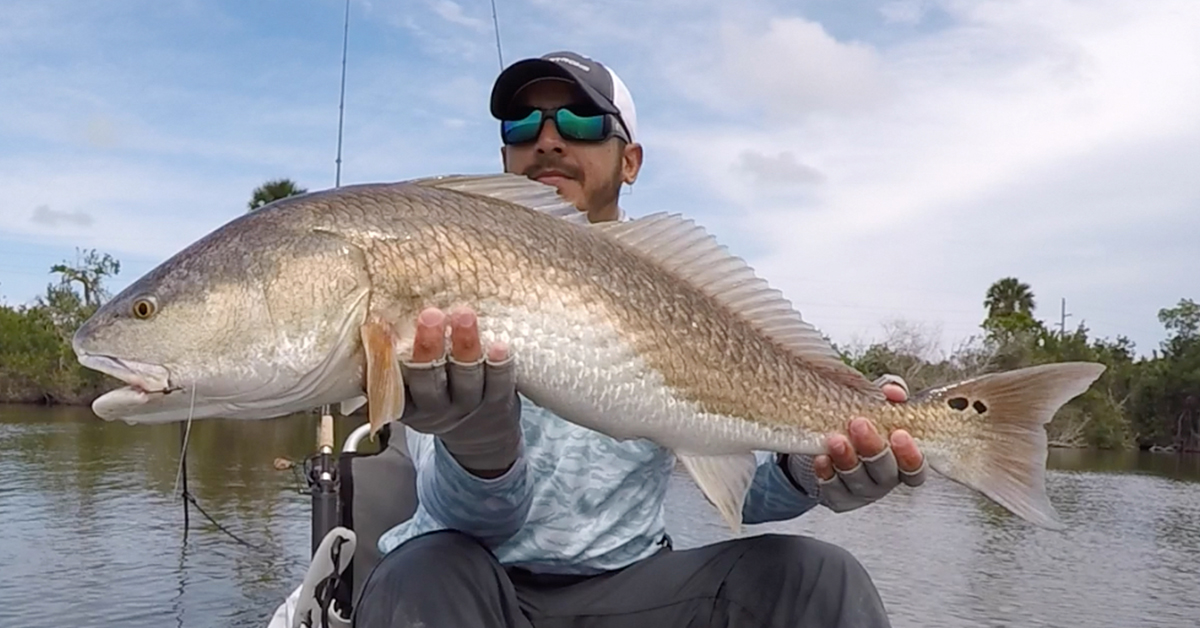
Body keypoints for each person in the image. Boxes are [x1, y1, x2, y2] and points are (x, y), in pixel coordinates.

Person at [352, 51, 927, 628]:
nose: (548, 141)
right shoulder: (441, 264)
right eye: (523, 126)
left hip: (634, 588)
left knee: (818, 578)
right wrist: (479, 448)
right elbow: (466, 519)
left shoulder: (679, 293)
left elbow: (742, 490)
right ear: (504, 158)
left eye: (580, 122)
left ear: (630, 162)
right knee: (416, 573)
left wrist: (815, 469)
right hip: (470, 583)